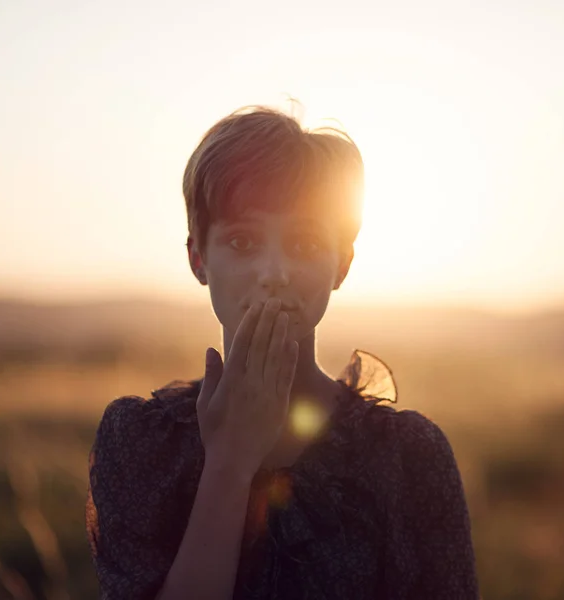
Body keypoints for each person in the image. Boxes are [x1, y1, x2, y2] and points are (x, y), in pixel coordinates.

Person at [85, 105, 480, 599]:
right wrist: (229, 461)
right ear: (198, 258)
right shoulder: (140, 442)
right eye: (243, 240)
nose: (274, 271)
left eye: (305, 243)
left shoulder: (409, 456)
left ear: (342, 264)